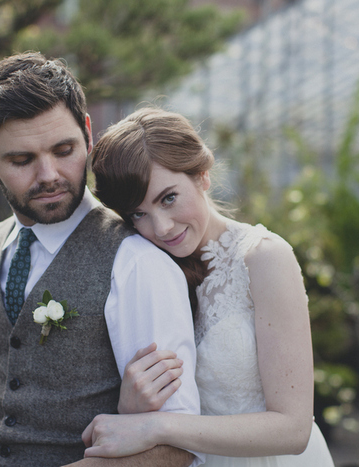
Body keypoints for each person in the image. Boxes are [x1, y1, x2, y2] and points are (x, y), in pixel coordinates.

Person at [0, 53, 203, 467]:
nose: (49, 175)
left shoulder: (136, 262)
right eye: (21, 160)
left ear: (88, 134)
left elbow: (177, 444)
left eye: (64, 150)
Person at [86, 107, 336, 466]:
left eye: (168, 197)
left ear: (202, 175)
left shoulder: (264, 258)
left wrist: (157, 426)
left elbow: (294, 430)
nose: (162, 228)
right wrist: (131, 406)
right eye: (138, 214)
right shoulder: (146, 272)